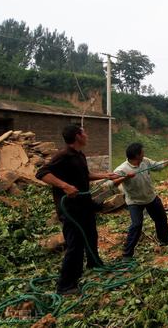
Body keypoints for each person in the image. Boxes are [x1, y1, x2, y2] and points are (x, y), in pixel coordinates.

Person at [36, 124, 121, 295]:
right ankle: (65, 285)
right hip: (70, 210)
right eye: (84, 133)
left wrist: (105, 175)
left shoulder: (79, 155)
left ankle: (94, 263)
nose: (87, 135)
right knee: (75, 245)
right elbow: (42, 173)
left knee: (91, 234)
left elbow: (85, 176)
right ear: (77, 136)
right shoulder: (64, 155)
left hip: (84, 205)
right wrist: (65, 186)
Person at [112, 143, 168, 260]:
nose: (144, 153)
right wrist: (126, 177)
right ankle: (127, 254)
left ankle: (164, 239)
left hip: (150, 197)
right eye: (142, 152)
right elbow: (112, 183)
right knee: (136, 225)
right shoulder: (122, 169)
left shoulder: (145, 161)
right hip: (135, 202)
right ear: (137, 155)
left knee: (161, 218)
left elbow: (159, 166)